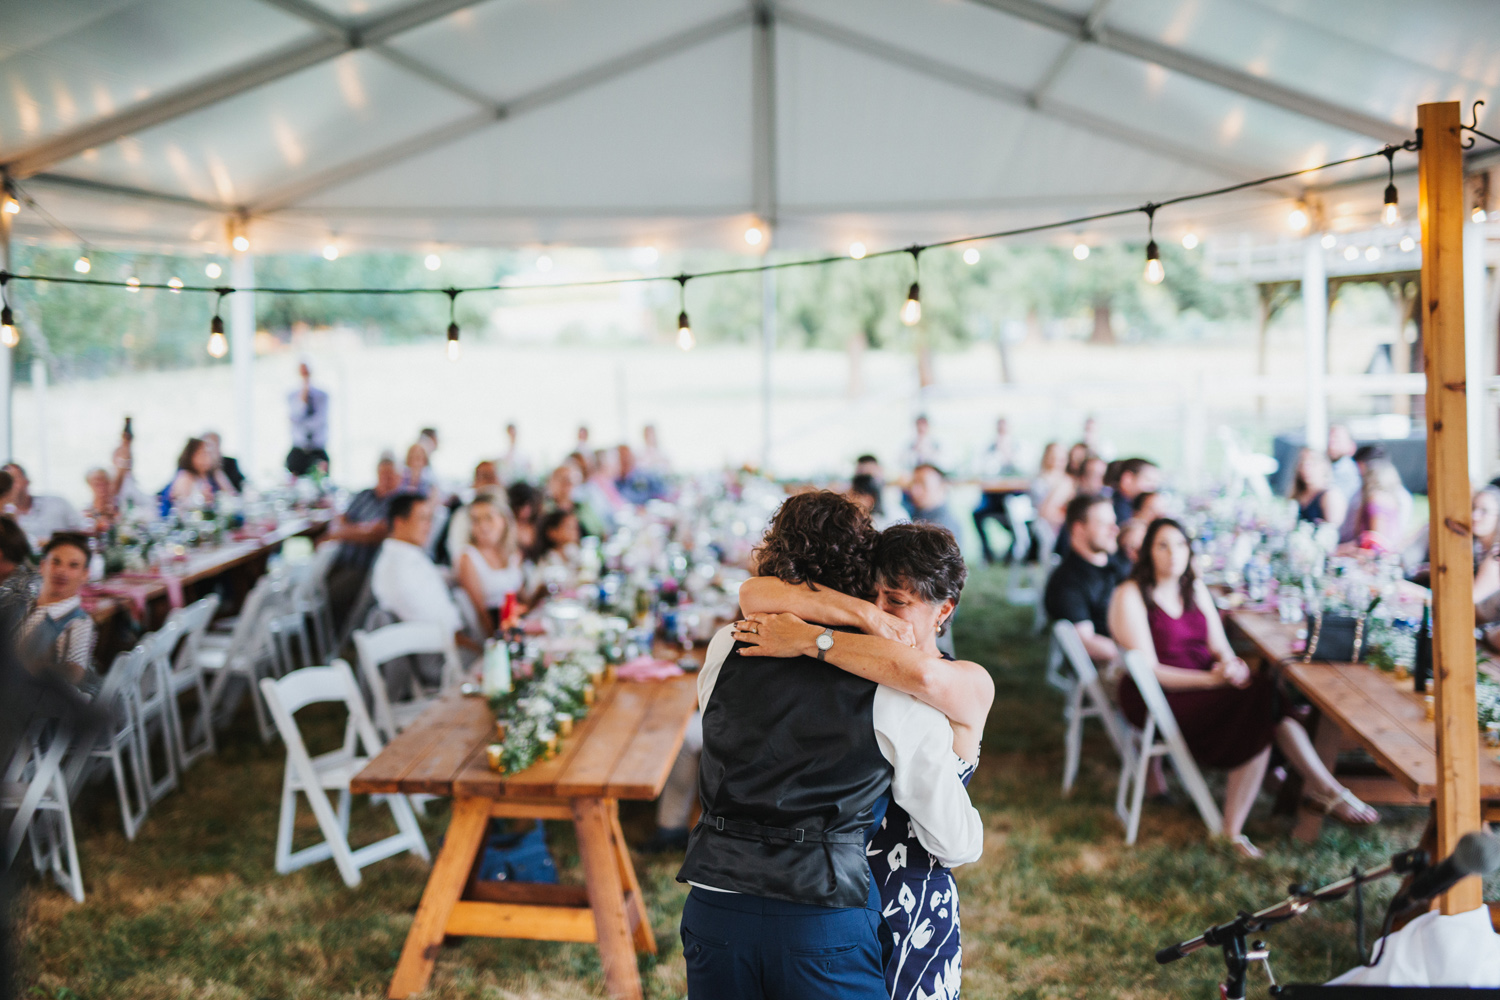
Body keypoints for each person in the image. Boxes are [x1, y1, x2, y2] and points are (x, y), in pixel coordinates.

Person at [676, 492, 983, 1000]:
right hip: (823, 915)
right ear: (862, 572)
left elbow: (753, 596)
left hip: (716, 899)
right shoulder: (893, 686)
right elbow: (955, 842)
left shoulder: (728, 644)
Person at [1109, 518, 1377, 858]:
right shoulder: (1131, 594)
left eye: (1179, 544)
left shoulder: (1194, 589)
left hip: (1204, 683)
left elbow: (1220, 647)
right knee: (1263, 699)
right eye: (1162, 545)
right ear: (1148, 552)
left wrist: (1231, 665)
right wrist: (1212, 680)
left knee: (1264, 699)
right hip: (1158, 696)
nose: (1173, 554)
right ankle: (1255, 820)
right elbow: (1152, 671)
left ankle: (1322, 791)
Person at [369, 494, 476, 655]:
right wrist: (475, 647)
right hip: (441, 653)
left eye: (430, 519)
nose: (429, 526)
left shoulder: (408, 554)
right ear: (399, 522)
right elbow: (438, 629)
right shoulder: (399, 569)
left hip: (451, 639)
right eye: (422, 519)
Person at [325, 456, 404, 629]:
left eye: (391, 475)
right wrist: (358, 530)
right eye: (383, 475)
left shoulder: (398, 503)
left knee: (329, 594)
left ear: (399, 477)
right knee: (312, 585)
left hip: (363, 567)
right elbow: (339, 519)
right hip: (340, 558)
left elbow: (375, 533)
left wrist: (343, 531)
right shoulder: (364, 494)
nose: (386, 479)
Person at [1043, 493, 1123, 666]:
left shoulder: (1119, 562)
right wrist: (1137, 655)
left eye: (1113, 522)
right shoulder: (1067, 582)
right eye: (1104, 524)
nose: (1115, 530)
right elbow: (1087, 643)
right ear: (1079, 528)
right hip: (1115, 665)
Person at [20, 533, 97, 692]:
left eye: (73, 565)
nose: (62, 571)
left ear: (85, 575)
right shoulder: (21, 605)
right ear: (42, 566)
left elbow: (74, 674)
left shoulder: (79, 622)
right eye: (55, 562)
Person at [456, 496, 524, 635]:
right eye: (476, 520)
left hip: (517, 623)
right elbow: (480, 614)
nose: (483, 526)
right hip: (495, 629)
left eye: (489, 518)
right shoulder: (468, 558)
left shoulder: (513, 553)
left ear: (503, 520)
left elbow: (522, 597)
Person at [3, 463, 85, 547]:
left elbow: (82, 531)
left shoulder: (57, 503)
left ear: (27, 481)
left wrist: (57, 542)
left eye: (13, 479)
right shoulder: (6, 519)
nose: (10, 485)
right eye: (6, 482)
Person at [1344, 457, 1406, 554]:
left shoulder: (1376, 499)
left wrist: (1344, 551)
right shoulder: (1391, 499)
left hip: (1375, 556)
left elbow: (1376, 540)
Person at [167, 437, 236, 511]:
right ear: (190, 456)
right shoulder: (185, 476)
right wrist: (203, 500)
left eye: (209, 454)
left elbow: (232, 496)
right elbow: (181, 507)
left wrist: (219, 476)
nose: (206, 458)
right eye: (201, 454)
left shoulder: (214, 474)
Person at [287, 361, 331, 477]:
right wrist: (303, 394)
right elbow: (296, 416)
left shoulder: (322, 396)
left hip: (317, 450)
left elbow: (320, 420)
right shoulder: (292, 396)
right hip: (298, 450)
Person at [1289, 448, 1347, 527]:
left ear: (1324, 465)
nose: (1306, 469)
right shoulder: (1299, 492)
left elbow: (1332, 529)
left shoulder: (1330, 495)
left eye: (1312, 464)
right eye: (1302, 465)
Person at [908, 463, 962, 539]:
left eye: (923, 484)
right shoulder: (916, 512)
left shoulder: (943, 527)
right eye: (913, 483)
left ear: (941, 487)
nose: (914, 490)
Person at [1109, 458, 1160, 529]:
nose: (1153, 488)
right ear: (1127, 479)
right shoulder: (1114, 509)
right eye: (1148, 480)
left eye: (1155, 483)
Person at [1327, 424, 1360, 506]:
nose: (1332, 444)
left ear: (1351, 446)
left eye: (1337, 439)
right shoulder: (1325, 466)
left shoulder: (1347, 470)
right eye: (1330, 439)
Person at [82, 468, 120, 534]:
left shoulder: (121, 509)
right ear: (90, 485)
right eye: (97, 484)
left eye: (105, 483)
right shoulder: (85, 512)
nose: (102, 487)